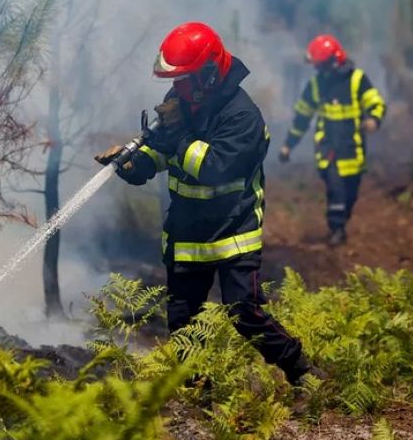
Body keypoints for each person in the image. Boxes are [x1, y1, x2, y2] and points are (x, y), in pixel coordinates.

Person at [95, 21, 313, 386]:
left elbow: (214, 168)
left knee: (243, 312)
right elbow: (161, 153)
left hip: (232, 231)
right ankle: (199, 391)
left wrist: (177, 137)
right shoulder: (185, 103)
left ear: (209, 75)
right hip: (187, 233)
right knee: (183, 322)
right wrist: (135, 163)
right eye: (175, 80)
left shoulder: (243, 117)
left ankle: (300, 369)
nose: (176, 88)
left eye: (184, 80)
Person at [278, 34, 386, 246]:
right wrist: (287, 146)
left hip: (353, 150)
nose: (318, 70)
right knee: (335, 188)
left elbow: (376, 103)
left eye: (321, 65)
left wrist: (374, 120)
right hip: (328, 150)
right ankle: (336, 230)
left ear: (333, 62)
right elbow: (302, 119)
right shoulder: (316, 86)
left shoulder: (357, 80)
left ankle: (341, 222)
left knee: (350, 195)